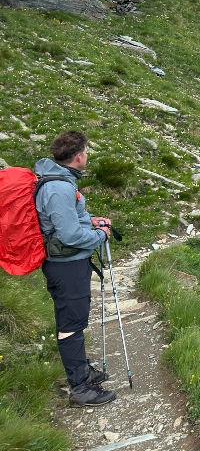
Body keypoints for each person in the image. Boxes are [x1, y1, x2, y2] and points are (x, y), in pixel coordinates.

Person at [35, 131, 117, 407]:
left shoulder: (59, 181)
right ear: (79, 155)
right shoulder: (59, 187)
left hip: (68, 264)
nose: (88, 156)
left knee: (76, 319)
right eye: (87, 151)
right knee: (71, 324)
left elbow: (64, 221)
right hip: (66, 266)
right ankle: (80, 388)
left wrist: (90, 221)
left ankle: (83, 372)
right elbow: (69, 235)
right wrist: (100, 236)